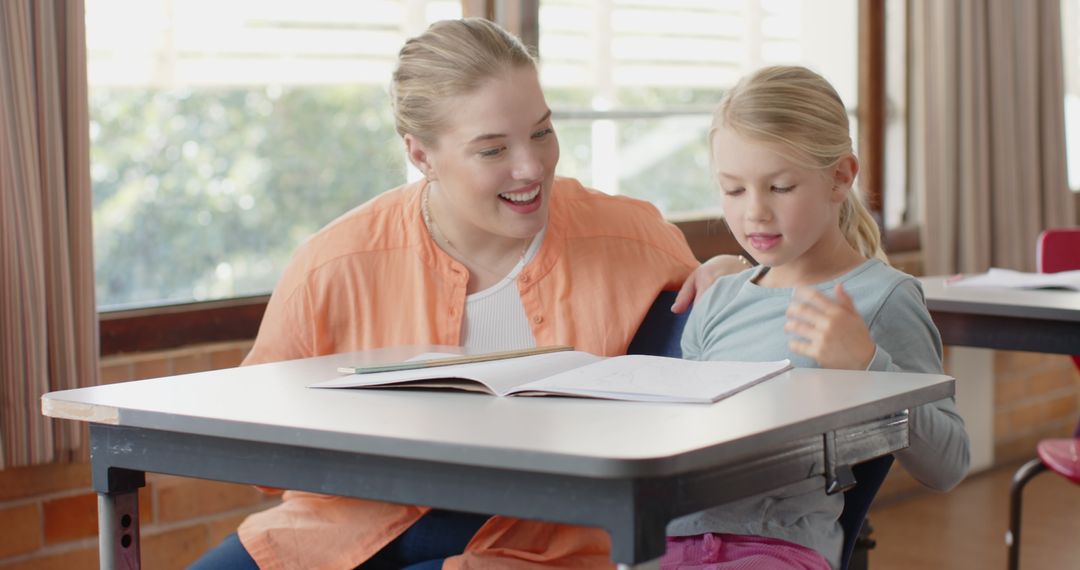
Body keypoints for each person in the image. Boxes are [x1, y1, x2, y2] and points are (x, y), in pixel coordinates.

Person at [189, 17, 745, 570]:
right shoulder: (335, 263)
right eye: (492, 150)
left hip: (544, 538)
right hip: (344, 526)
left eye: (542, 132)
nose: (532, 167)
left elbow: (731, 362)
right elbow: (255, 451)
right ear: (421, 156)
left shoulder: (630, 237)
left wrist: (735, 276)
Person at [666, 65, 971, 570]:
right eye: (734, 190)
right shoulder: (719, 300)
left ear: (840, 177)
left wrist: (871, 366)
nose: (755, 213)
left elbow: (949, 464)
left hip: (777, 547)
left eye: (780, 187)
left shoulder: (881, 299)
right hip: (669, 540)